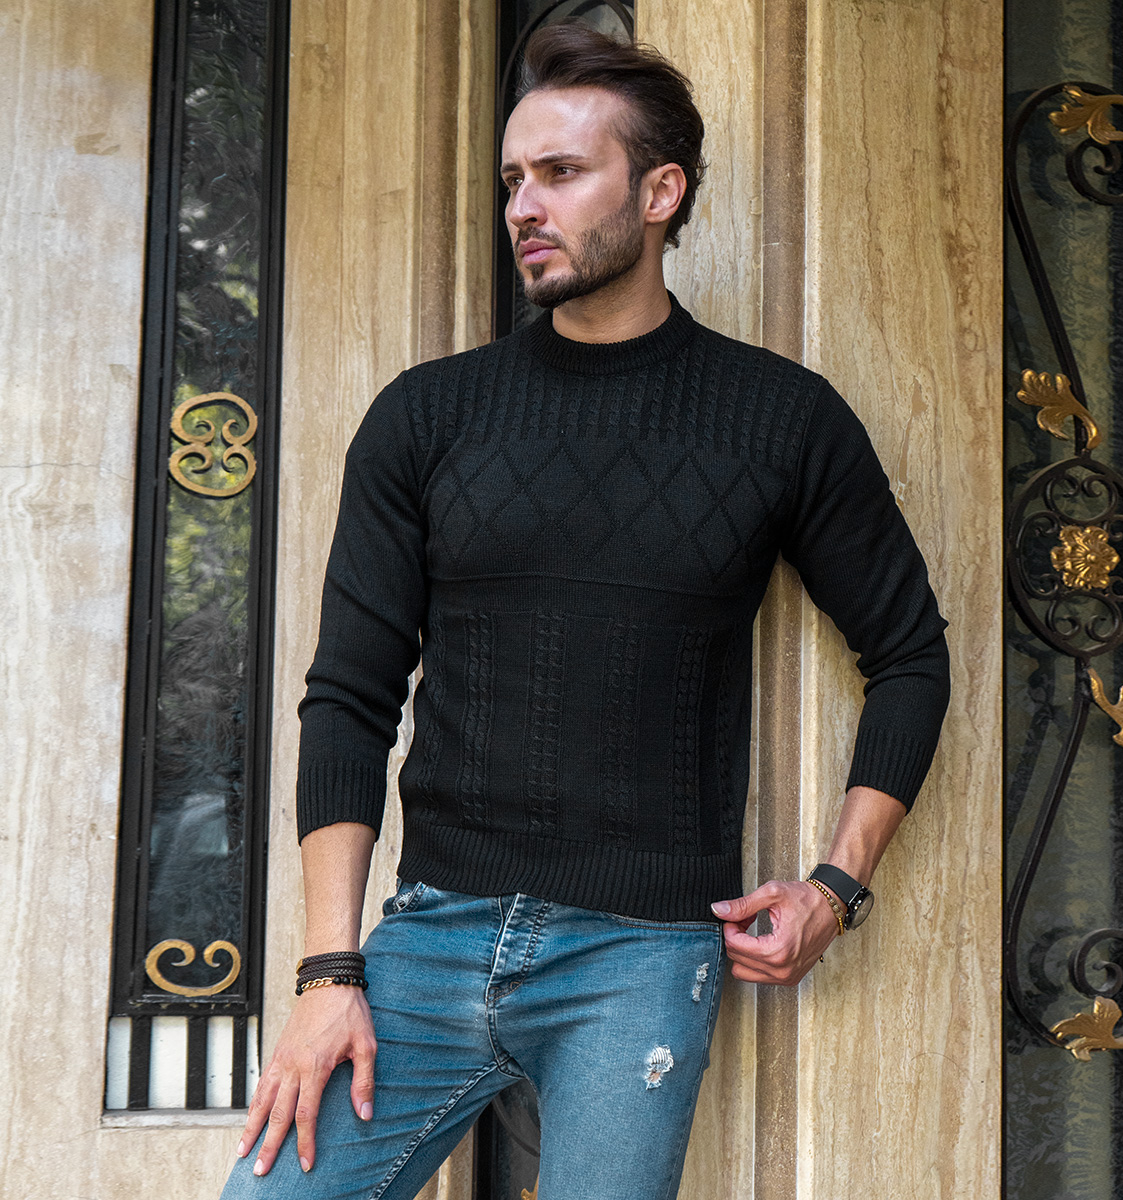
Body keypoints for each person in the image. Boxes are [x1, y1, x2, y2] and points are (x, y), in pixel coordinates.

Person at [222, 23, 950, 1200]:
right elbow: (349, 700)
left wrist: (837, 887)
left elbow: (910, 655)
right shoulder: (426, 418)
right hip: (424, 941)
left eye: (562, 173)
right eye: (515, 178)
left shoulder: (781, 421)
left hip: (641, 961)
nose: (525, 205)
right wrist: (326, 974)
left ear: (660, 193)